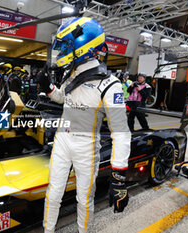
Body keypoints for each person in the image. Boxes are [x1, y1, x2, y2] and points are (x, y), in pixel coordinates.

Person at [38, 17, 131, 233]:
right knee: (53, 194)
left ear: (83, 47)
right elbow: (64, 98)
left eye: (66, 47)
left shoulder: (111, 84)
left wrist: (119, 177)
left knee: (84, 199)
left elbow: (121, 133)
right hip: (62, 140)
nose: (61, 53)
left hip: (86, 148)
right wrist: (50, 88)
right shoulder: (72, 73)